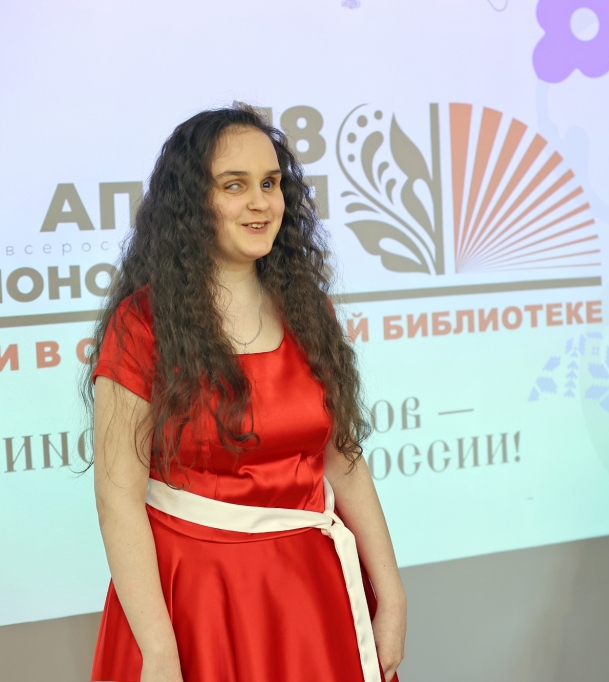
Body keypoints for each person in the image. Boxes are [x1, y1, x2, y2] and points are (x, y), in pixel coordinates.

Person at [87, 104, 406, 682]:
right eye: (235, 186)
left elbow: (343, 460)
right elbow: (118, 501)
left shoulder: (308, 310)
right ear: (192, 202)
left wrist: (392, 595)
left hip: (312, 597)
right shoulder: (141, 324)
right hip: (195, 603)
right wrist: (158, 651)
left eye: (270, 183)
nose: (260, 203)